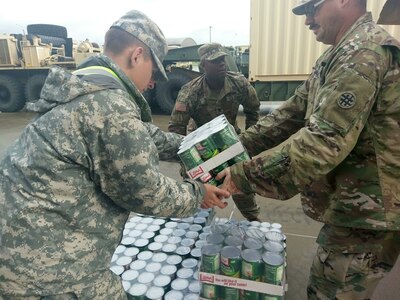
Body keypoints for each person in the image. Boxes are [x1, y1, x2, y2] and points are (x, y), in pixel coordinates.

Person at [0, 10, 230, 299]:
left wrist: (195, 146)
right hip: (46, 266)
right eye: (154, 72)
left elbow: (145, 137)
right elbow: (147, 193)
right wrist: (199, 194)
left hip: (19, 242)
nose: (152, 83)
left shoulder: (87, 89)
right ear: (137, 55)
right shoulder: (110, 106)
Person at [217, 0, 400, 298]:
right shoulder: (339, 54)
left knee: (330, 292)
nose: (307, 21)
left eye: (312, 9)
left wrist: (241, 176)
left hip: (369, 213)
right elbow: (287, 115)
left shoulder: (363, 54)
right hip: (353, 205)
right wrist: (234, 148)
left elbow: (322, 142)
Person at [168, 42, 261, 221]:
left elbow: (253, 109)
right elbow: (176, 129)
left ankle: (254, 221)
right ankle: (197, 226)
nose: (222, 64)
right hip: (200, 149)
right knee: (200, 193)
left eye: (223, 60)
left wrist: (250, 142)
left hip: (231, 142)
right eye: (215, 61)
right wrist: (188, 163)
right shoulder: (190, 92)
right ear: (203, 65)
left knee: (242, 185)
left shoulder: (238, 83)